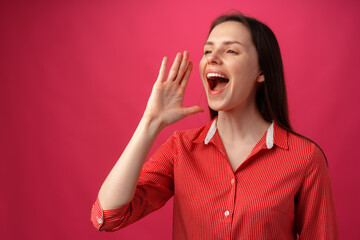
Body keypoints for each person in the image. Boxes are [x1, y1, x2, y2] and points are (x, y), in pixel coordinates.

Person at [91, 12, 338, 239]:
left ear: (261, 71)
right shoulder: (181, 149)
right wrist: (151, 122)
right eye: (208, 51)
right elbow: (108, 217)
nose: (213, 59)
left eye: (231, 51)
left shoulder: (305, 159)